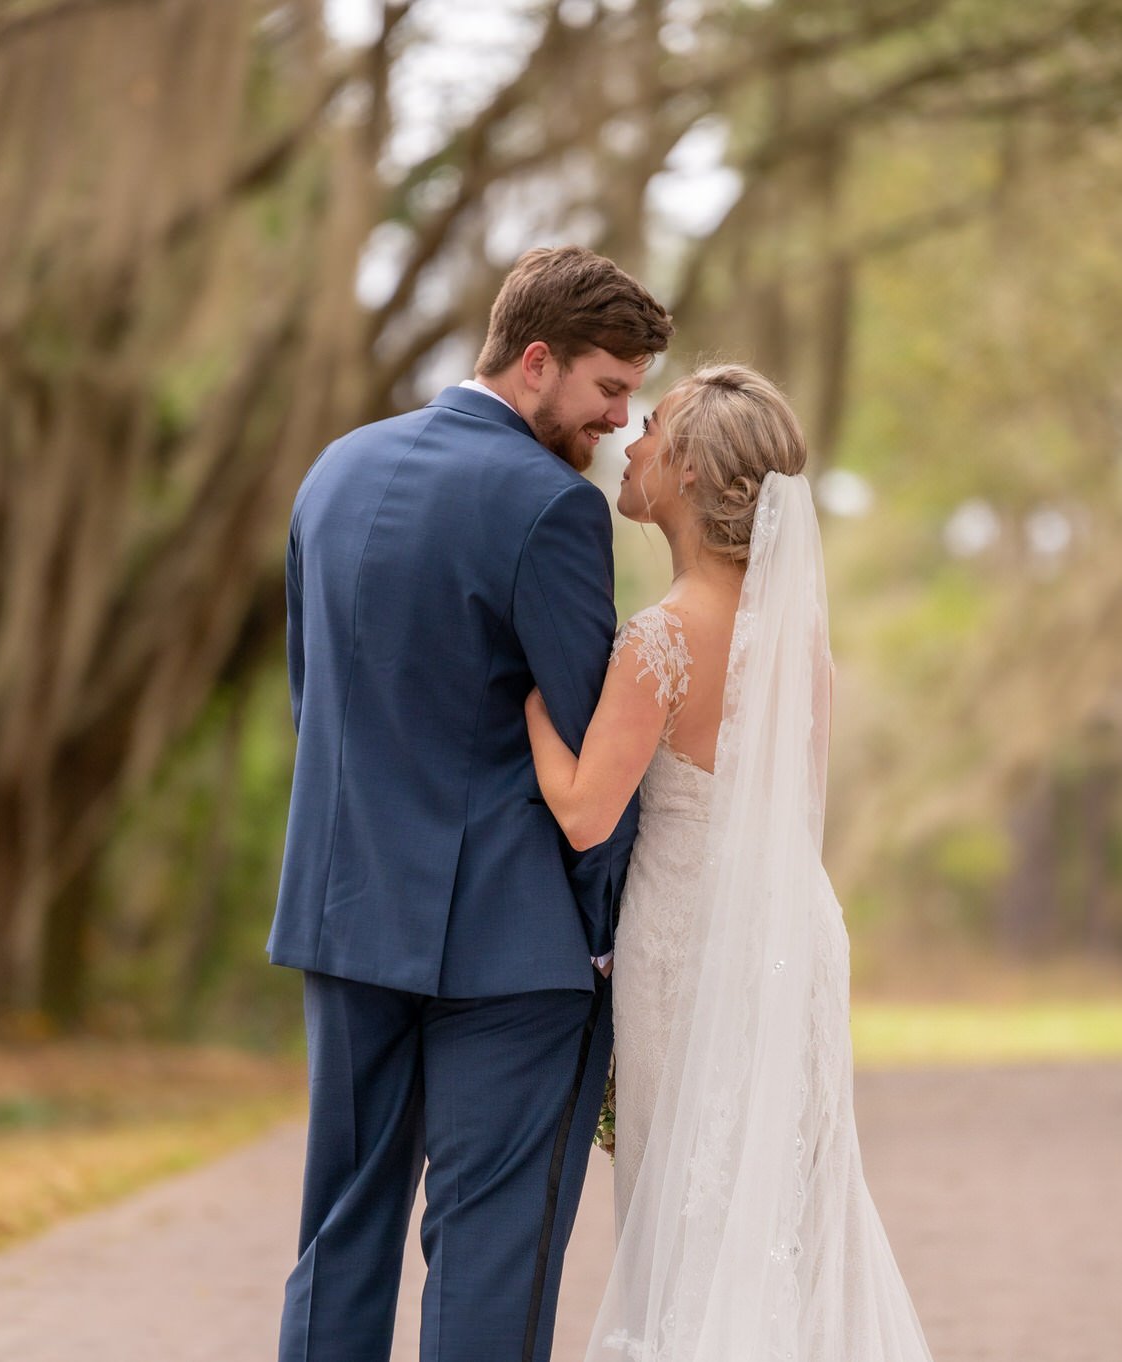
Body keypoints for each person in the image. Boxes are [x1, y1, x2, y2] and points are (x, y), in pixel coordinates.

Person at [269, 245, 673, 1362]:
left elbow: (319, 704)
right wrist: (603, 940)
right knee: (488, 1254)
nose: (615, 423)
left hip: (347, 921)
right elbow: (595, 743)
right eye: (606, 390)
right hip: (510, 948)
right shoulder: (550, 506)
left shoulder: (334, 471)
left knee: (338, 1233)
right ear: (535, 362)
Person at [525, 364, 935, 1360]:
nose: (630, 440)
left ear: (691, 471)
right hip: (788, 936)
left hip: (687, 951)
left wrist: (529, 705)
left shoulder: (660, 639)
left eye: (652, 427)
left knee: (685, 1215)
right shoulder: (796, 642)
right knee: (781, 1209)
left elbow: (583, 814)